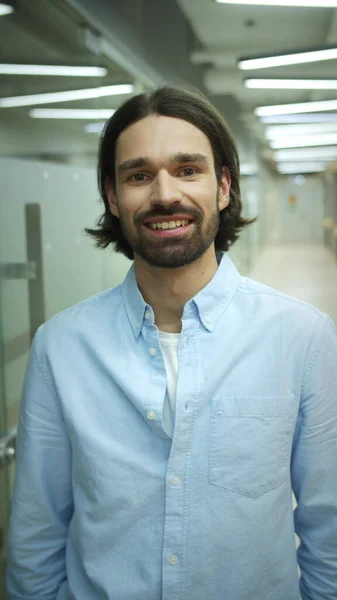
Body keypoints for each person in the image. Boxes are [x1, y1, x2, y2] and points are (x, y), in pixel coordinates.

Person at [6, 84, 337, 600]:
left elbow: (328, 527)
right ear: (114, 198)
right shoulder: (62, 348)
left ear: (223, 187)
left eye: (188, 170)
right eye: (139, 175)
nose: (164, 194)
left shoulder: (302, 338)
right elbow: (37, 532)